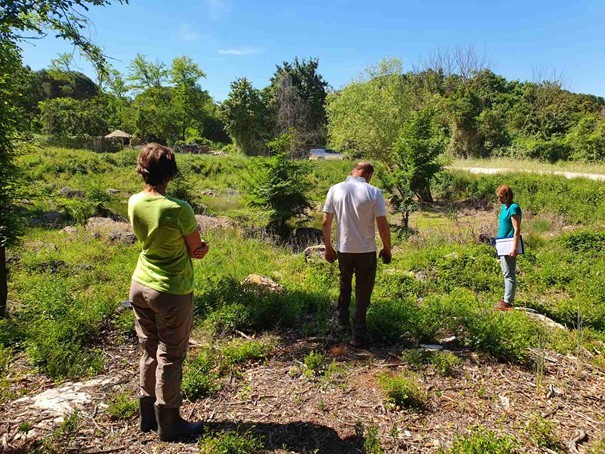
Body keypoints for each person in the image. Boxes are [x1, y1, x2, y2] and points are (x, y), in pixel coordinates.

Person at [128, 143, 209, 441]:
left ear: (142, 170)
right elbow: (195, 248)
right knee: (171, 356)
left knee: (149, 349)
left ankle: (147, 417)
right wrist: (203, 249)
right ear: (170, 173)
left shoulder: (134, 201)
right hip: (171, 290)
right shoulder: (178, 208)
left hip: (140, 284)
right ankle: (170, 423)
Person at [322, 162, 392, 347]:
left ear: (352, 171)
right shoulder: (373, 192)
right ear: (368, 175)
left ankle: (342, 322)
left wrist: (328, 247)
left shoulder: (335, 189)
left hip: (343, 249)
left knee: (345, 284)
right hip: (366, 250)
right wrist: (387, 248)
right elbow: (382, 224)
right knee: (363, 291)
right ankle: (358, 333)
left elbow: (325, 222)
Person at [494, 185, 522, 311]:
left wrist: (514, 248)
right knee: (505, 271)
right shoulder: (504, 208)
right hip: (502, 244)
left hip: (509, 244)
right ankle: (506, 298)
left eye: (501, 197)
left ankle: (508, 301)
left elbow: (517, 229)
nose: (499, 199)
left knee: (509, 273)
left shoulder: (514, 208)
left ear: (507, 196)